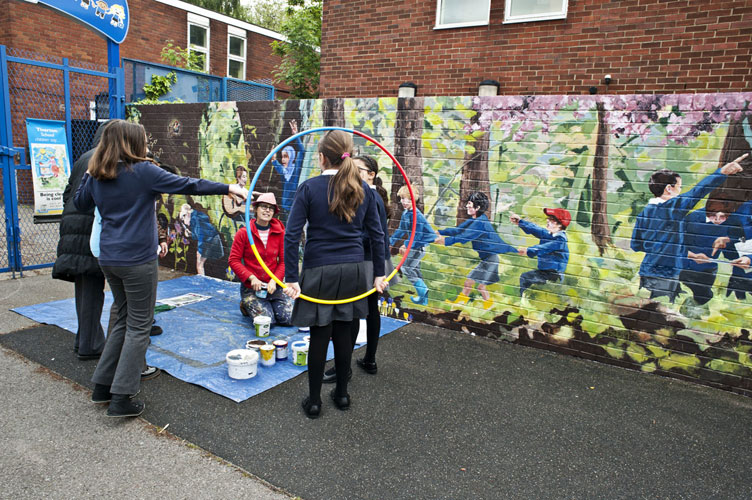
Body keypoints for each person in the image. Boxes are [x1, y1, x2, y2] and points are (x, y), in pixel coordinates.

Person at [74, 119, 247, 418]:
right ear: (132, 143)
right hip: (137, 261)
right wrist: (229, 187)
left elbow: (80, 203)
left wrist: (88, 175)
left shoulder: (98, 174)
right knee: (140, 326)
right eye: (142, 140)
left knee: (124, 319)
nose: (147, 146)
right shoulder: (141, 172)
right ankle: (121, 397)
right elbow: (189, 184)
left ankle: (102, 386)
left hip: (110, 260)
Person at [283, 130, 386, 419]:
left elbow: (292, 236)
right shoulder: (362, 189)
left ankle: (314, 401)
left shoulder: (309, 188)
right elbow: (377, 236)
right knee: (344, 334)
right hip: (354, 271)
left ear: (321, 157)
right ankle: (341, 394)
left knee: (319, 336)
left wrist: (291, 277)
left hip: (319, 271)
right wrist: (378, 275)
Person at [630, 155, 747, 303]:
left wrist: (692, 255)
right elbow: (697, 192)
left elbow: (636, 245)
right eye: (679, 187)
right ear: (668, 189)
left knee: (652, 309)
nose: (680, 191)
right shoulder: (672, 208)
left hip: (647, 271)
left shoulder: (644, 214)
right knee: (661, 314)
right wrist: (722, 172)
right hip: (666, 273)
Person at [323, 155, 390, 383]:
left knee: (351, 314)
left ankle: (345, 367)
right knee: (370, 311)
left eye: (358, 169)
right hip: (371, 261)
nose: (352, 173)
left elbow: (372, 234)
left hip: (367, 262)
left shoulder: (369, 195)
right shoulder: (368, 194)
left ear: (371, 174)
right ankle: (368, 360)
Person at [52, 123, 108, 360]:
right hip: (88, 231)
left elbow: (68, 194)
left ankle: (84, 340)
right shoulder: (105, 158)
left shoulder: (83, 158)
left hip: (72, 228)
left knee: (85, 288)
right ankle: (90, 345)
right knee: (93, 288)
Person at [436, 192, 517, 309]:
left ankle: (489, 306)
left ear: (477, 207)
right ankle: (461, 304)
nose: (467, 206)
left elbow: (464, 236)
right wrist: (441, 232)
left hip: (491, 260)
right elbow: (458, 230)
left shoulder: (480, 223)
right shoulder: (476, 219)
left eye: (469, 204)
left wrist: (446, 241)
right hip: (486, 260)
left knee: (481, 287)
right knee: (468, 283)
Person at [228, 192, 294, 325]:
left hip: (273, 286)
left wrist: (274, 281)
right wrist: (251, 278)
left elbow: (283, 261)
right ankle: (246, 304)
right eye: (263, 206)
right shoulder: (244, 233)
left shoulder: (280, 233)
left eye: (271, 208)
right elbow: (233, 260)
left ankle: (269, 304)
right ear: (255, 209)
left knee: (289, 319)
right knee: (267, 322)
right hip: (252, 287)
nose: (267, 210)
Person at [679, 198, 741, 307]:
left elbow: (740, 238)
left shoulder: (733, 221)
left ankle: (694, 309)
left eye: (722, 217)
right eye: (713, 216)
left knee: (704, 296)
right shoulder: (692, 219)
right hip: (684, 265)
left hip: (708, 268)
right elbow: (674, 242)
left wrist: (727, 239)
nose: (717, 220)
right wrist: (692, 256)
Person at [389, 184, 438, 305]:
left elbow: (417, 234)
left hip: (419, 246)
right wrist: (391, 241)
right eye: (402, 198)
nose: (404, 201)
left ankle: (423, 291)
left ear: (414, 199)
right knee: (415, 268)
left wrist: (406, 245)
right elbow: (401, 230)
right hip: (415, 245)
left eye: (408, 199)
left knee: (406, 267)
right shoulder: (406, 213)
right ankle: (423, 299)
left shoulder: (417, 215)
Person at [509, 208, 571, 296]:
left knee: (527, 278)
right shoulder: (549, 234)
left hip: (554, 275)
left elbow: (544, 248)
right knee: (526, 278)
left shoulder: (560, 240)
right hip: (544, 272)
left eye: (551, 220)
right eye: (548, 218)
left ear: (560, 225)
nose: (548, 221)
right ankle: (525, 300)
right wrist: (520, 222)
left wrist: (528, 250)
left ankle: (526, 301)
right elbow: (535, 229)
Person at [179, 203, 224, 275]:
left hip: (209, 240)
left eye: (183, 218)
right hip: (213, 238)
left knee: (199, 263)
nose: (185, 223)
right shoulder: (197, 216)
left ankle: (201, 282)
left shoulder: (195, 220)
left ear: (186, 214)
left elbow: (201, 236)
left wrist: (200, 251)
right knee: (203, 263)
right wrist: (190, 234)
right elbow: (199, 234)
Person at [272, 120, 305, 214]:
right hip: (285, 207)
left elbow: (302, 151)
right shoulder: (284, 171)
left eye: (286, 157)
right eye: (282, 157)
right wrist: (274, 159)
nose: (283, 160)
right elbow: (277, 165)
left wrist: (296, 134)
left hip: (294, 206)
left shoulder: (295, 169)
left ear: (291, 157)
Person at [221, 165, 249, 230]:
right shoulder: (233, 189)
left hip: (239, 212)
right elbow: (234, 207)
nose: (245, 179)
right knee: (253, 216)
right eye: (243, 177)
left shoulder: (243, 190)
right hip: (235, 214)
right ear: (238, 178)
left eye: (246, 177)